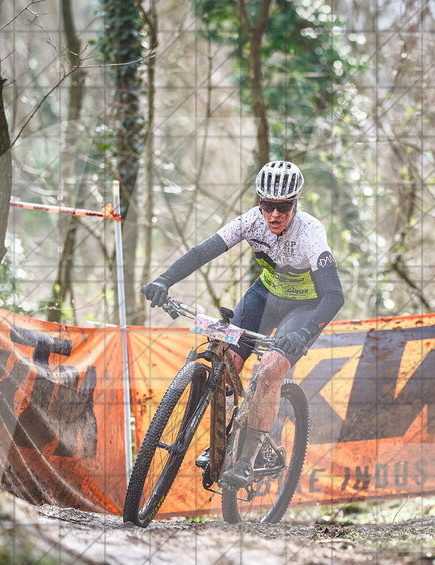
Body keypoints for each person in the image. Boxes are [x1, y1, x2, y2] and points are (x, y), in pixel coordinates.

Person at [141, 160, 344, 489]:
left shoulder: (311, 233)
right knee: (226, 356)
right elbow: (202, 252)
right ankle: (223, 441)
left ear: (294, 204)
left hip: (305, 306)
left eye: (283, 207)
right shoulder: (251, 221)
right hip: (263, 296)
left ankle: (247, 462)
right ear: (259, 202)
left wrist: (305, 335)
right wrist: (164, 281)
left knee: (269, 369)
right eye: (267, 205)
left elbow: (334, 295)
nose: (274, 215)